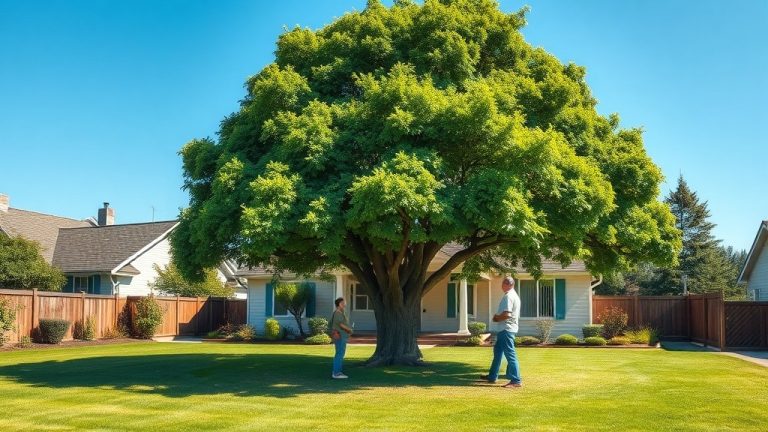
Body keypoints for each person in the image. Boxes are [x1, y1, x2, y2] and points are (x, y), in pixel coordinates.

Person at [479, 276, 522, 388]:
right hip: (507, 329)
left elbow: (506, 314)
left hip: (506, 329)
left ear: (507, 284)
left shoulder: (508, 297)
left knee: (510, 355)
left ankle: (516, 380)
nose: (502, 285)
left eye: (503, 283)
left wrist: (496, 318)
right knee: (498, 353)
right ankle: (492, 376)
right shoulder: (515, 296)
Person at [329, 297, 353, 379]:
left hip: (340, 336)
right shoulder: (338, 313)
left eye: (344, 303)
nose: (344, 305)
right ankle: (337, 373)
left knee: (339, 353)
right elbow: (341, 325)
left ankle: (336, 371)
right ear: (338, 304)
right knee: (340, 354)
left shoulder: (338, 312)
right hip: (340, 336)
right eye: (343, 303)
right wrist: (349, 330)